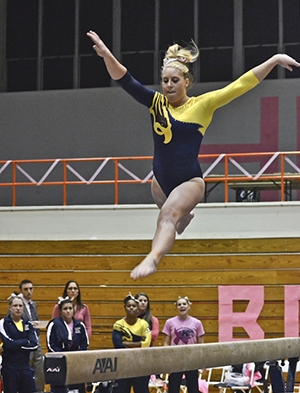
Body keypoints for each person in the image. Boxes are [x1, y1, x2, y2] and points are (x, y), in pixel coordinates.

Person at [87, 30, 300, 280]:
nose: (168, 86)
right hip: (160, 183)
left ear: (187, 81)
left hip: (190, 182)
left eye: (174, 80)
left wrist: (274, 59)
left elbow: (241, 84)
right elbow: (125, 79)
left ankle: (153, 258)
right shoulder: (156, 103)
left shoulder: (202, 105)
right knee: (171, 211)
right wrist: (106, 55)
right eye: (165, 80)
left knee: (167, 215)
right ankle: (185, 216)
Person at [7, 280, 45, 393]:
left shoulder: (34, 304)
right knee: (26, 367)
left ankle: (39, 390)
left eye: (31, 289)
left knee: (39, 367)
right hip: (24, 341)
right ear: (21, 290)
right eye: (26, 289)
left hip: (36, 339)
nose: (29, 292)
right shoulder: (15, 304)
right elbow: (10, 323)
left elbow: (34, 319)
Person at [163, 296, 205, 393]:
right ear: (176, 308)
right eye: (179, 304)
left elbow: (202, 345)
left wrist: (203, 362)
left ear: (189, 306)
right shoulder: (169, 322)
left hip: (192, 358)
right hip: (175, 359)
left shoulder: (197, 323)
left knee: (193, 387)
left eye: (184, 304)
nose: (182, 306)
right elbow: (166, 342)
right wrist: (166, 360)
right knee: (173, 387)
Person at [47, 297, 89, 393]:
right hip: (59, 361)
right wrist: (63, 356)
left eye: (70, 308)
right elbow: (50, 344)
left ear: (74, 309)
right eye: (65, 309)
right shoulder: (54, 324)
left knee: (77, 388)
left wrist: (76, 355)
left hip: (75, 360)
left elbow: (84, 344)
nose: (68, 311)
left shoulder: (79, 325)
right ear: (61, 311)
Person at [112, 293, 151, 393]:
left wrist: (126, 342)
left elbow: (146, 344)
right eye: (129, 306)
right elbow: (118, 345)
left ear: (138, 309)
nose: (131, 308)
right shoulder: (119, 324)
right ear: (125, 308)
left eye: (134, 306)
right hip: (123, 363)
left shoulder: (143, 324)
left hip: (140, 363)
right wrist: (138, 342)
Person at [0, 294, 38, 393]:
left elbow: (34, 345)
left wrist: (16, 344)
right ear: (10, 307)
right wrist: (25, 341)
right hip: (10, 367)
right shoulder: (3, 323)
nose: (18, 308)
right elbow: (8, 344)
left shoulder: (28, 324)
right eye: (15, 306)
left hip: (25, 367)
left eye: (20, 306)